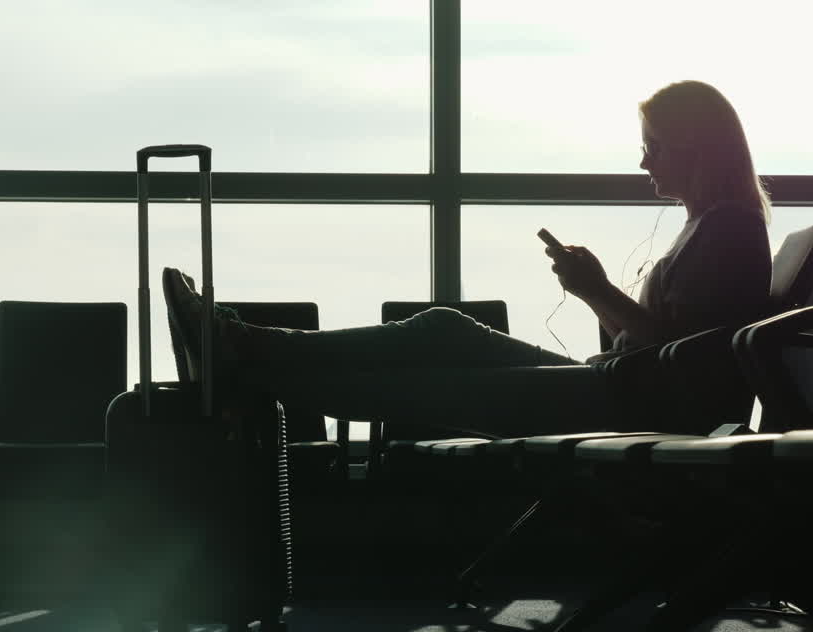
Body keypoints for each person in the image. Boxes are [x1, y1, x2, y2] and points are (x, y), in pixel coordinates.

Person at [166, 80, 772, 439]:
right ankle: (244, 351)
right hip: (620, 389)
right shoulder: (712, 228)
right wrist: (598, 294)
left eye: (654, 147)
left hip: (635, 405)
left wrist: (595, 291)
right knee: (443, 330)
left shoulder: (729, 232)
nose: (645, 163)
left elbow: (685, 354)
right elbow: (665, 345)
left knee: (434, 381)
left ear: (692, 146)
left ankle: (244, 357)